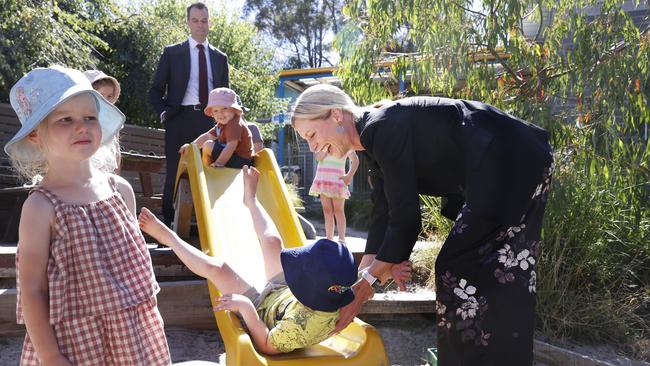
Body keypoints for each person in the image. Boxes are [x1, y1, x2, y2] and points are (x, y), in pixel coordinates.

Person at [290, 84, 554, 366]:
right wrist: (364, 277)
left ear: (336, 115)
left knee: (458, 269)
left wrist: (367, 284)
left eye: (312, 135)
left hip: (509, 159)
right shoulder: (372, 139)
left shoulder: (383, 127)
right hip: (516, 160)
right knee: (497, 270)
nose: (313, 147)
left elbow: (406, 218)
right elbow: (384, 213)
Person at [5, 65, 170, 365]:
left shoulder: (120, 191)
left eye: (90, 117)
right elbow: (31, 289)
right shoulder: (41, 207)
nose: (82, 126)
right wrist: (50, 355)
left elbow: (138, 276)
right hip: (74, 346)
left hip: (132, 340)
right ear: (34, 135)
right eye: (65, 119)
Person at [138, 165, 358, 354]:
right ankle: (251, 200)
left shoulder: (301, 328)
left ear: (310, 287)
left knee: (219, 269)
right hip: (285, 296)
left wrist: (245, 307)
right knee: (272, 242)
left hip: (261, 309)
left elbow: (265, 344)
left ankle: (170, 238)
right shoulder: (335, 292)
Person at [149, 1, 230, 226]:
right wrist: (165, 113)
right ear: (188, 23)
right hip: (180, 119)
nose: (200, 25)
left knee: (212, 173)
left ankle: (210, 226)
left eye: (204, 21)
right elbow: (155, 91)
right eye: (195, 20)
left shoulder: (220, 58)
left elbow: (226, 94)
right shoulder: (172, 53)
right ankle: (168, 227)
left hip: (210, 122)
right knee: (175, 172)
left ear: (209, 23)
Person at [179, 87, 254, 168]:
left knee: (208, 145)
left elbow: (231, 146)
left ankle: (208, 169)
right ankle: (208, 169)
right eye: (216, 111)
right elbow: (207, 136)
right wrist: (191, 146)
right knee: (208, 144)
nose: (220, 113)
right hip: (233, 157)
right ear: (212, 114)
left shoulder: (234, 124)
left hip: (241, 161)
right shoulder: (221, 124)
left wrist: (219, 163)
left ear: (234, 109)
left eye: (225, 108)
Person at [309, 151, 359, 244]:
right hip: (324, 181)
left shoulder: (344, 143)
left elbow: (355, 160)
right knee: (327, 211)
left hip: (338, 182)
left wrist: (349, 176)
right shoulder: (323, 143)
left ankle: (341, 239)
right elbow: (318, 157)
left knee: (338, 210)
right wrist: (326, 147)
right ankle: (329, 238)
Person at [84, 69, 122, 173]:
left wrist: (116, 176)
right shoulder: (81, 118)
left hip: (106, 168)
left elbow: (116, 150)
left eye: (110, 96)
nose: (106, 100)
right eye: (101, 95)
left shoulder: (112, 120)